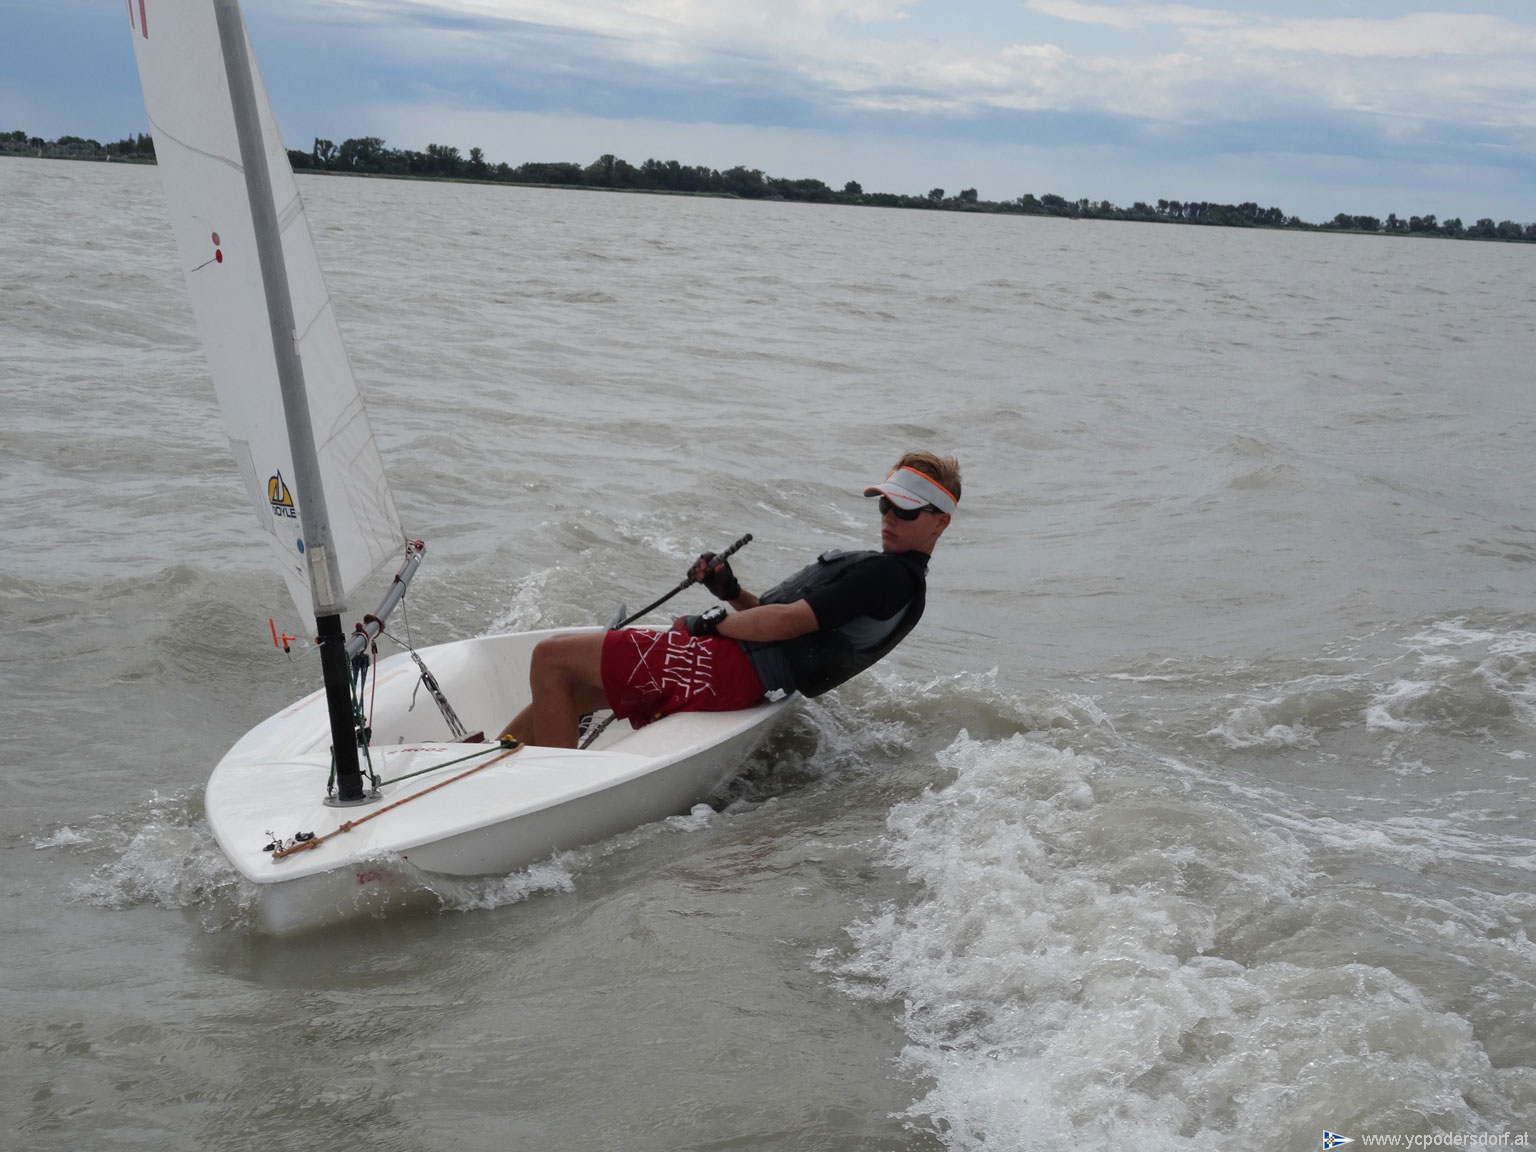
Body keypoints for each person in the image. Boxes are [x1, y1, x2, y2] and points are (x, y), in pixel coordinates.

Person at [498, 451, 960, 748]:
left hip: (725, 667)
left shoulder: (886, 575)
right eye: (884, 505)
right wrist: (731, 593)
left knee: (551, 658)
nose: (889, 518)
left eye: (905, 511)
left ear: (940, 522)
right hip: (740, 675)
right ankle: (491, 756)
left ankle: (549, 787)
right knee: (576, 690)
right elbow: (787, 627)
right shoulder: (900, 583)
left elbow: (785, 624)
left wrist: (709, 622)